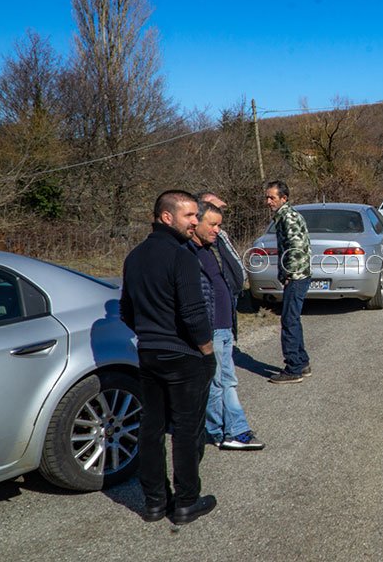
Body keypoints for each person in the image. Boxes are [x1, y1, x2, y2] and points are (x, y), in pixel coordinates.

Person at [119, 190, 218, 525]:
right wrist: (207, 351)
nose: (195, 222)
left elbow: (126, 312)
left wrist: (151, 334)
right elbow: (193, 313)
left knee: (152, 428)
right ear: (166, 217)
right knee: (188, 432)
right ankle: (186, 502)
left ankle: (154, 502)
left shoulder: (133, 257)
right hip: (184, 356)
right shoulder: (182, 256)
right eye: (190, 216)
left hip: (148, 353)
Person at [187, 200, 264, 451]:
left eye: (220, 225)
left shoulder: (212, 248)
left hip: (224, 326)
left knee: (223, 381)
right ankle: (235, 430)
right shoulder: (187, 253)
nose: (217, 230)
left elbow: (234, 276)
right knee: (222, 382)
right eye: (212, 224)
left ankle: (218, 429)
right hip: (210, 329)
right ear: (195, 221)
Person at [265, 180, 312, 384]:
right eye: (267, 197)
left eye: (272, 197)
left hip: (297, 276)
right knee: (292, 318)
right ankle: (302, 362)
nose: (268, 201)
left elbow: (296, 246)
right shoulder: (284, 216)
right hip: (298, 275)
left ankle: (294, 368)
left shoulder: (288, 217)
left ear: (284, 198)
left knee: (289, 321)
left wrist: (290, 274)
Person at [196, 191, 247, 291]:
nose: (216, 229)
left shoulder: (220, 234)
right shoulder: (202, 244)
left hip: (232, 294)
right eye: (211, 207)